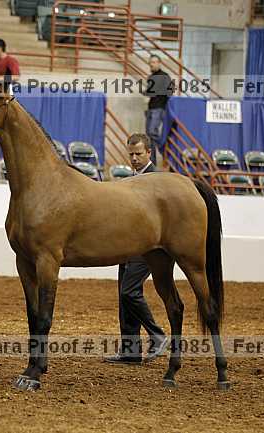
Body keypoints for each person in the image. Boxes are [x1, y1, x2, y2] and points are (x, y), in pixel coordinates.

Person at [105, 133, 168, 365]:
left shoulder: (156, 180)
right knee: (125, 297)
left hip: (147, 245)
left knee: (129, 292)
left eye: (138, 154)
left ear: (149, 153)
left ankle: (157, 335)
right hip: (127, 245)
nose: (133, 158)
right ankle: (130, 352)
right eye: (130, 154)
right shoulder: (131, 178)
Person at [143, 55, 172, 164]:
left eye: (154, 62)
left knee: (152, 132)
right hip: (151, 108)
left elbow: (169, 92)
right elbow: (150, 92)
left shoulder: (164, 76)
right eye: (150, 62)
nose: (152, 64)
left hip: (159, 108)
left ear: (159, 63)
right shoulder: (151, 77)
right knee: (149, 138)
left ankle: (164, 150)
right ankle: (152, 162)